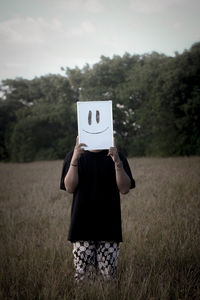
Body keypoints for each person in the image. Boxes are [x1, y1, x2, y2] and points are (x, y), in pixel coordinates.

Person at [60, 137, 135, 282]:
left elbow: (125, 188)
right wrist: (75, 159)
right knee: (83, 277)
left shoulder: (117, 156)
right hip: (82, 226)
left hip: (109, 226)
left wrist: (117, 162)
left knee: (108, 277)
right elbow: (69, 187)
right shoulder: (74, 155)